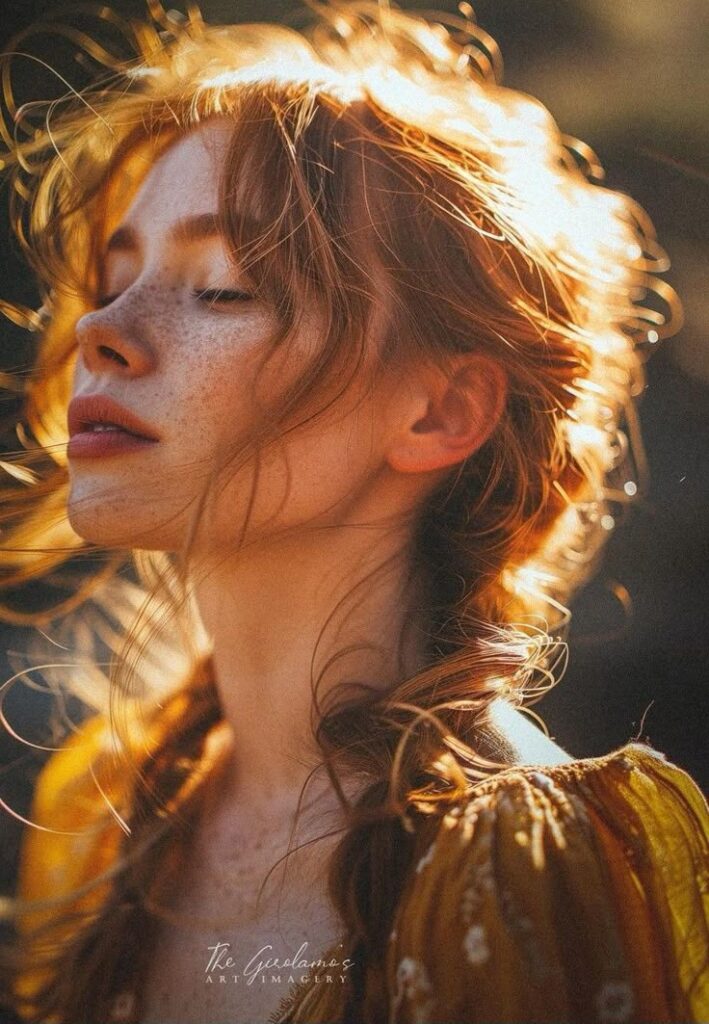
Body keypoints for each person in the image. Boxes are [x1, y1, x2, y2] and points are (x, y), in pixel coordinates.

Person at [0, 2, 706, 1022]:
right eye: (116, 278)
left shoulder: (527, 870)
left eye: (222, 289)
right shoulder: (100, 811)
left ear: (439, 411)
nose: (104, 331)